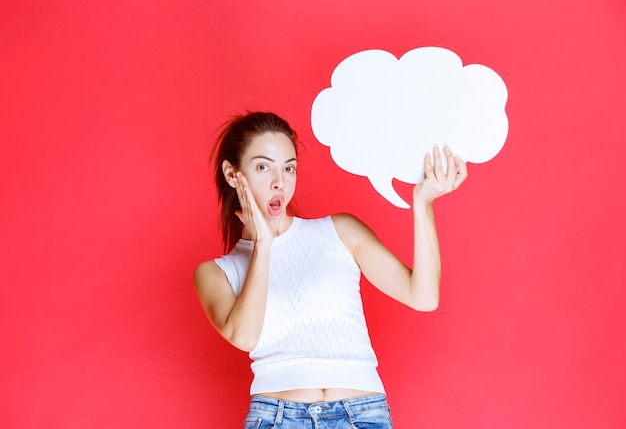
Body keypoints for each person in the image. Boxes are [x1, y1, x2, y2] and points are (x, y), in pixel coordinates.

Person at [194, 111, 467, 428]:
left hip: (361, 414)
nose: (279, 182)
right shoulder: (216, 272)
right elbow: (244, 336)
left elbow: (423, 297)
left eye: (289, 168)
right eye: (262, 167)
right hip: (277, 418)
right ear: (232, 173)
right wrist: (263, 246)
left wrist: (423, 204)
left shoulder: (340, 231)